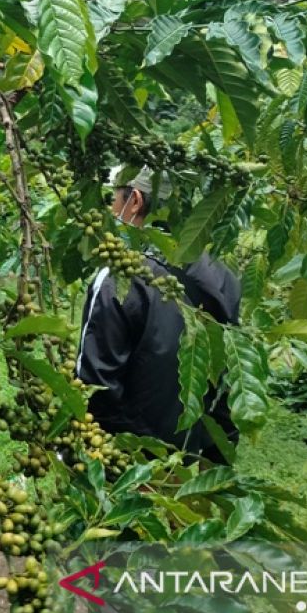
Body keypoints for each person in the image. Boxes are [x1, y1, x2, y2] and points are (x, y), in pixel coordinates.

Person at [75, 166, 240, 463]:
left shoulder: (120, 277)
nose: (112, 208)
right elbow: (226, 377)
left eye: (115, 199)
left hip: (126, 459)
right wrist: (218, 458)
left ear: (134, 201)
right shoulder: (224, 275)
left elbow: (95, 383)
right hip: (184, 465)